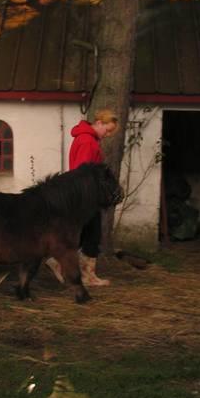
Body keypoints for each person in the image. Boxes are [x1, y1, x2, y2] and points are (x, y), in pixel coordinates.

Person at [46, 108, 119, 286]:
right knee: (92, 234)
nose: (108, 134)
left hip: (83, 196)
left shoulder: (86, 139)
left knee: (84, 233)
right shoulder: (88, 142)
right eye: (107, 130)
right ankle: (86, 275)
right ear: (99, 122)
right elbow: (83, 173)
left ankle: (60, 262)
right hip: (86, 197)